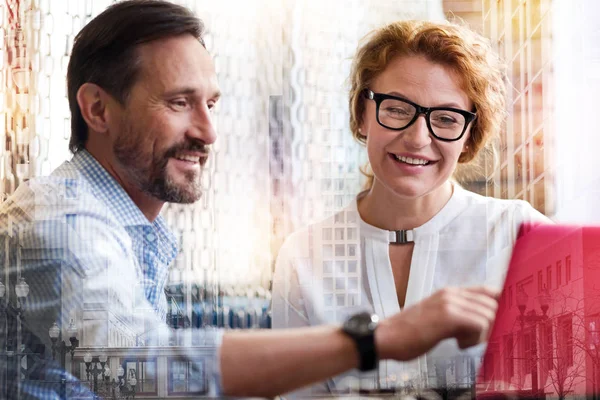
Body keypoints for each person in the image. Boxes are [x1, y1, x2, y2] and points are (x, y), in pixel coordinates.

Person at [0, 2, 498, 399]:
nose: (209, 132)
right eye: (179, 103)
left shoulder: (129, 228)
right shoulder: (59, 218)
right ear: (97, 109)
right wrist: (376, 339)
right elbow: (138, 373)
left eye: (210, 104)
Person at [272, 19, 551, 396]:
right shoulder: (304, 256)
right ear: (361, 114)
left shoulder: (520, 234)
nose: (418, 139)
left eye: (446, 119)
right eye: (398, 109)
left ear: (469, 138)